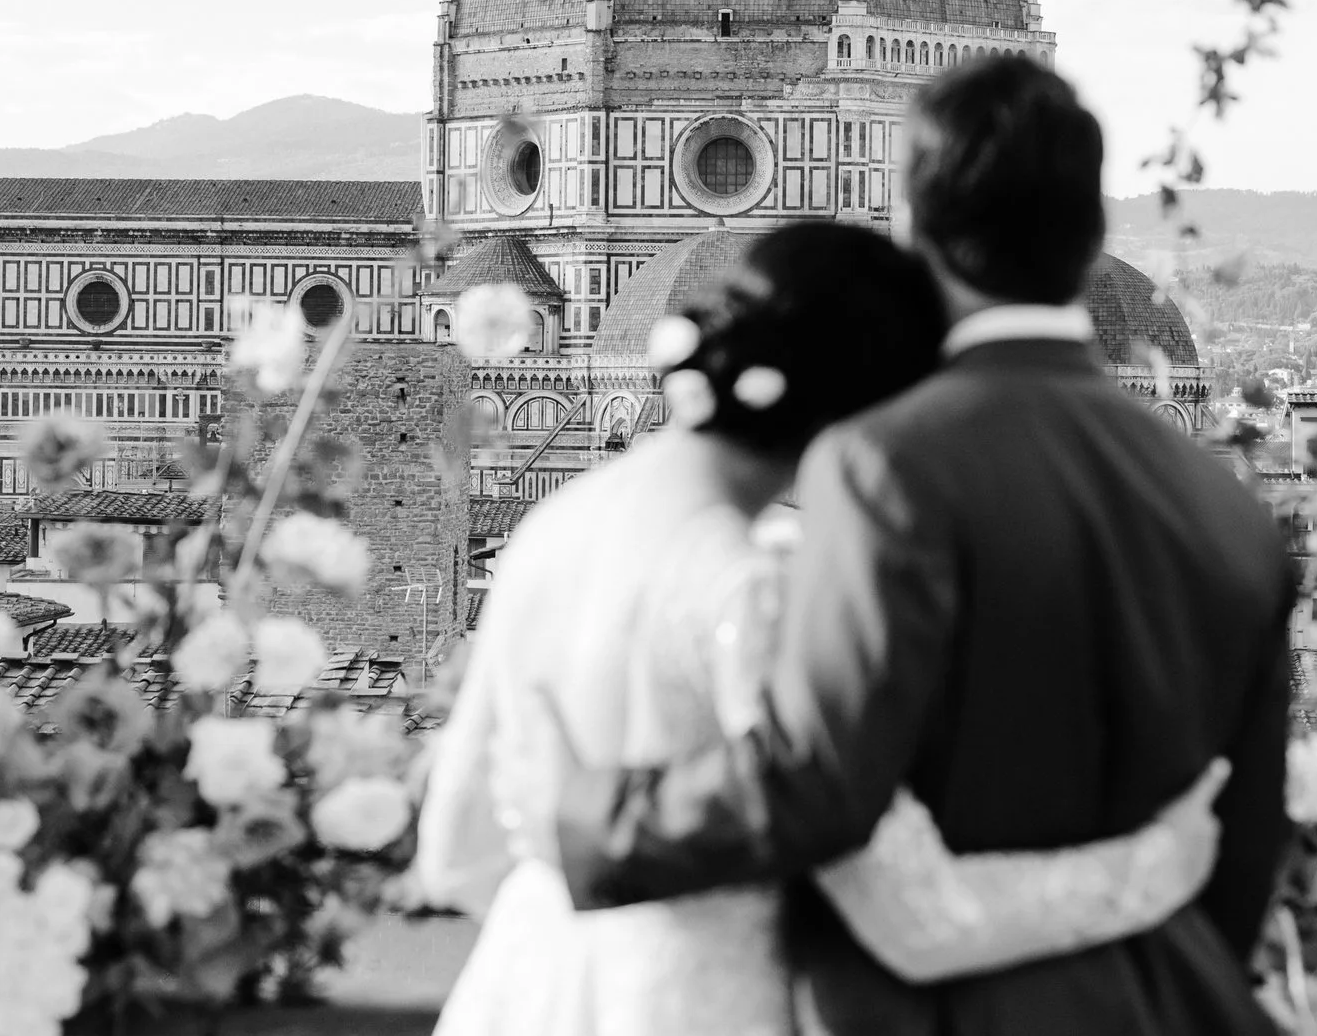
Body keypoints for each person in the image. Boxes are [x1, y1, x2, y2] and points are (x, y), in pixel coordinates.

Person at [547, 58, 1297, 1036]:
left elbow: (818, 783)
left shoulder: (885, 467)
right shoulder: (1226, 509)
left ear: (911, 230)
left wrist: (596, 817)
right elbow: (1244, 850)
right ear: (1090, 241)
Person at [413, 220, 1237, 1036]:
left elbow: (456, 847)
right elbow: (913, 920)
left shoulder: (551, 528)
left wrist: (583, 937)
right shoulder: (749, 585)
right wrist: (1156, 864)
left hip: (517, 992)